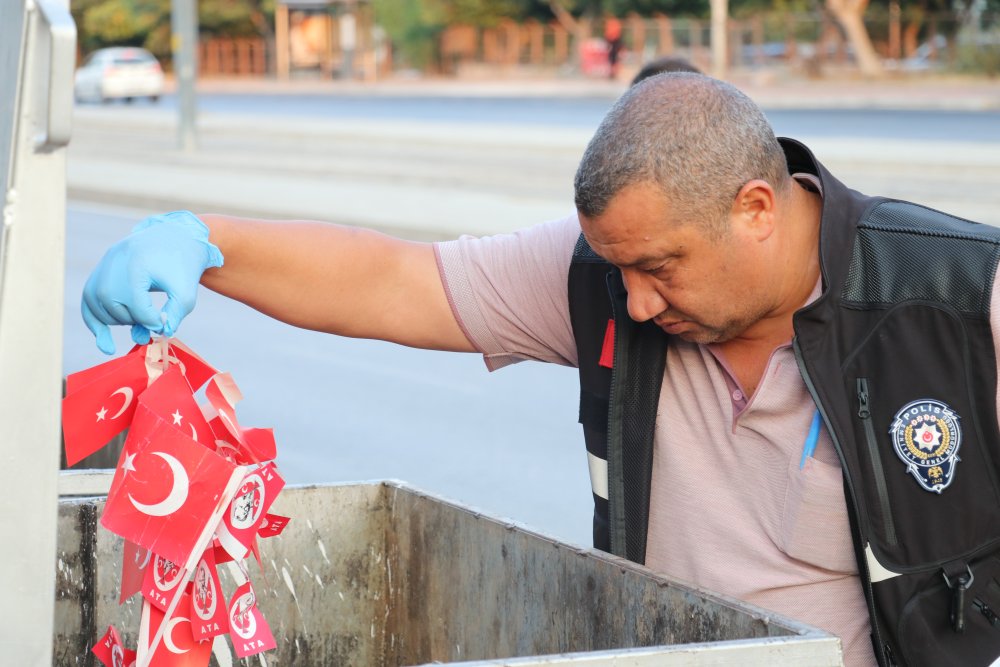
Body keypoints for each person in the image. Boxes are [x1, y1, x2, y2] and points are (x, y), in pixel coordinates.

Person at [81, 74, 1000, 667]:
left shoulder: (961, 300)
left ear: (756, 208)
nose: (636, 303)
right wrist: (205, 243)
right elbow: (401, 282)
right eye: (620, 269)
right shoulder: (600, 278)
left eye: (660, 267)